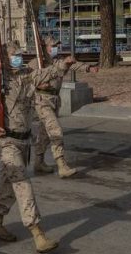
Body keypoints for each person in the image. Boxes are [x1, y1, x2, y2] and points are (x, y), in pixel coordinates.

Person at [0, 41, 58, 254]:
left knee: (8, 182)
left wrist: (64, 65)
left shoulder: (25, 76)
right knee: (21, 182)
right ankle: (37, 232)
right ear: (4, 59)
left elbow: (45, 74)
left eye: (20, 54)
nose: (19, 57)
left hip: (24, 140)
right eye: (14, 54)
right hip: (6, 141)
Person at [29, 36, 98, 178]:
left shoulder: (57, 61)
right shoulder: (36, 63)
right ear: (44, 47)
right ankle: (61, 165)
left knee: (44, 134)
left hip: (55, 100)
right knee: (55, 130)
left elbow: (72, 65)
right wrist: (38, 84)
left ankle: (39, 162)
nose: (56, 48)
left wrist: (88, 68)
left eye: (57, 45)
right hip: (42, 101)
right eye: (53, 45)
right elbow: (26, 80)